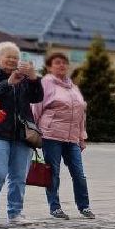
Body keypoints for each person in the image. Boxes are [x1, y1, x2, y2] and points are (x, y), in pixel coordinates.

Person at [0, 41, 44, 227]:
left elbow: (37, 97)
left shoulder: (24, 78)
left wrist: (33, 79)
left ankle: (15, 213)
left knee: (18, 176)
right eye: (8, 57)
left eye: (15, 58)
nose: (12, 60)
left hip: (22, 134)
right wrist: (7, 83)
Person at [33, 51, 94, 220]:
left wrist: (82, 137)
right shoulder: (45, 84)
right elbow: (36, 109)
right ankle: (55, 207)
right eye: (57, 62)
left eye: (64, 63)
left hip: (72, 138)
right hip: (51, 135)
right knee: (53, 173)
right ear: (49, 67)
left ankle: (84, 206)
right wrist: (35, 132)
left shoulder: (73, 87)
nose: (62, 65)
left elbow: (81, 113)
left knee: (79, 173)